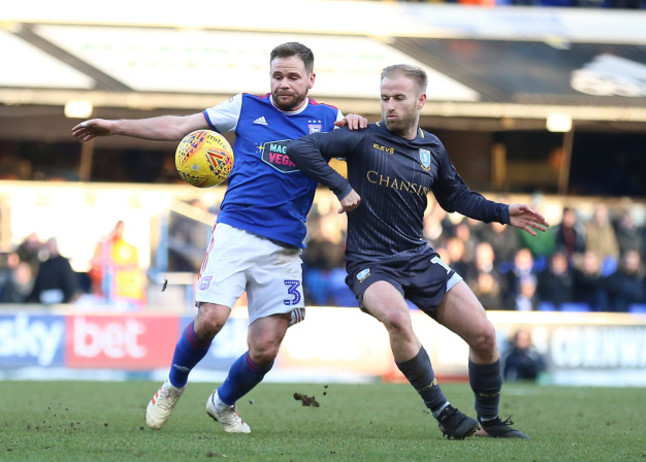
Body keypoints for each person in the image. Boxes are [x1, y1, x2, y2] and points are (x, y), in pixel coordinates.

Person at [72, 42, 366, 434]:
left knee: (265, 349)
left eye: (293, 76)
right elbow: (179, 126)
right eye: (276, 75)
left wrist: (360, 123)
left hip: (285, 249)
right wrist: (115, 126)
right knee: (210, 318)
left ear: (311, 80)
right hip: (235, 232)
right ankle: (173, 386)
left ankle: (223, 403)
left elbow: (366, 148)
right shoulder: (245, 106)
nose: (282, 84)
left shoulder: (328, 119)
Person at [287, 64, 549, 440]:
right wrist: (340, 186)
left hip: (418, 258)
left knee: (485, 336)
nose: (388, 106)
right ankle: (445, 414)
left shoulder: (433, 149)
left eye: (398, 98)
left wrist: (504, 213)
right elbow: (300, 149)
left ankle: (490, 422)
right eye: (384, 98)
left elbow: (457, 197)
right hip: (370, 262)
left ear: (420, 100)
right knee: (397, 318)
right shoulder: (361, 137)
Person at [27, 237, 80, 304]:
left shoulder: (63, 263)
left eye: (51, 246)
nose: (50, 248)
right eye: (48, 246)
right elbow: (38, 283)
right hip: (43, 301)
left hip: (60, 300)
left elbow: (69, 282)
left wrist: (67, 298)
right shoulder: (44, 264)